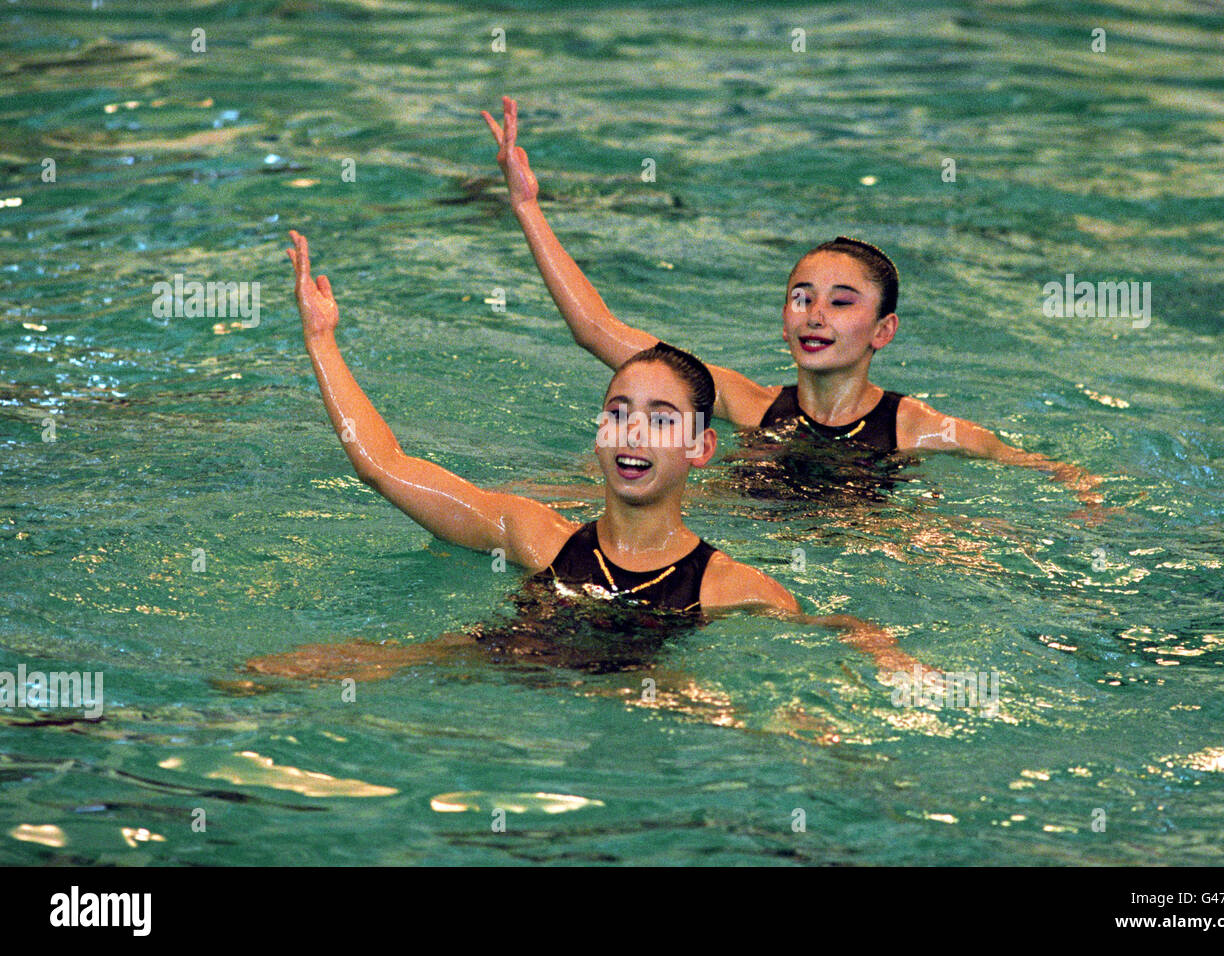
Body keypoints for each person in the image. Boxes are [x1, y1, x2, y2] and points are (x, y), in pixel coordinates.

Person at [256, 230, 921, 683]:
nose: (634, 434)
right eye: (619, 415)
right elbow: (383, 466)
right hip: (478, 674)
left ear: (700, 447)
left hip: (639, 713)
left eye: (661, 420)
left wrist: (871, 639)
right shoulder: (534, 535)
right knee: (266, 677)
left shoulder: (728, 588)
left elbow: (821, 627)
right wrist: (321, 340)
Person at [481, 96, 1111, 515]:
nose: (815, 315)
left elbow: (1036, 466)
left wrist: (1083, 491)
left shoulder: (915, 427)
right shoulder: (747, 404)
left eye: (842, 302)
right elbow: (596, 330)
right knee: (538, 500)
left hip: (875, 551)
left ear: (882, 331)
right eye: (800, 298)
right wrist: (528, 209)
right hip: (745, 523)